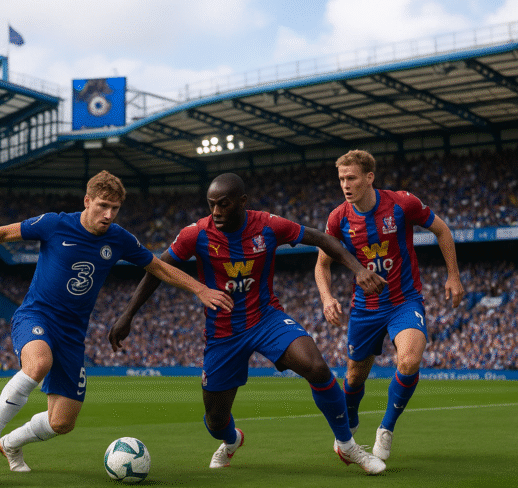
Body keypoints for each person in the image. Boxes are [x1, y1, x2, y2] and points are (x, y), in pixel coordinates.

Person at [0, 170, 233, 477]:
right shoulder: (55, 224)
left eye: (115, 209)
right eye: (102, 205)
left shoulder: (119, 239)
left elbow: (158, 267)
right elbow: (0, 234)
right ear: (87, 201)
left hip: (73, 335)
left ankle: (10, 443)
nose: (108, 214)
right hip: (36, 317)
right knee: (38, 364)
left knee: (61, 422)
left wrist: (200, 289)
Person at [110, 172, 388, 474]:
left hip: (266, 318)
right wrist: (128, 314)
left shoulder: (268, 225)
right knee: (216, 422)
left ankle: (347, 445)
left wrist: (359, 269)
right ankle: (231, 441)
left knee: (317, 367)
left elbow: (321, 238)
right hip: (223, 334)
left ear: (242, 202)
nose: (216, 212)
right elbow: (158, 268)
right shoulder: (197, 233)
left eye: (224, 204)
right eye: (211, 204)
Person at [314, 149, 464, 461]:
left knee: (408, 361)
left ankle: (386, 428)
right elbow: (322, 264)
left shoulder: (401, 203)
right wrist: (327, 298)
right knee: (354, 376)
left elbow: (442, 230)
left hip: (404, 301)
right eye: (341, 179)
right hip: (365, 309)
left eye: (351, 177)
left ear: (369, 178)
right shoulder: (338, 217)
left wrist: (453, 276)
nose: (345, 184)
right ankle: (350, 421)